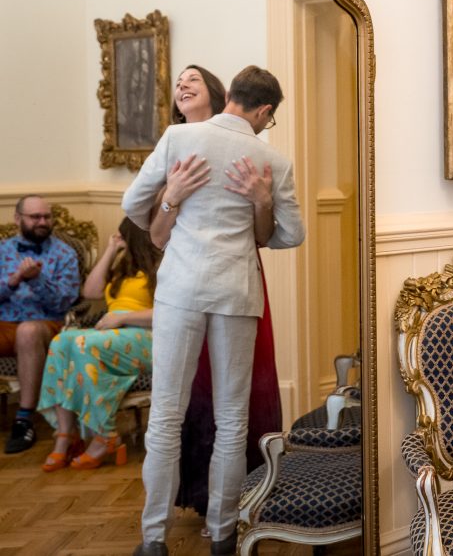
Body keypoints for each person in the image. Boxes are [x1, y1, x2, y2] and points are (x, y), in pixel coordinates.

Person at [123, 65, 305, 556]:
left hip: (180, 288)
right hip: (235, 292)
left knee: (165, 416)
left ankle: (153, 539)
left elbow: (131, 202)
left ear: (232, 96)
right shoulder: (271, 159)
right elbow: (290, 236)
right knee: (232, 420)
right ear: (264, 111)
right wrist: (261, 200)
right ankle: (224, 534)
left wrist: (171, 203)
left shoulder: (178, 138)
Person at [156, 64, 284, 523]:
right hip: (182, 287)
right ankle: (196, 501)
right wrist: (171, 196)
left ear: (219, 94)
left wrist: (262, 202)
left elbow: (264, 236)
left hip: (236, 285)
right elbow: (154, 234)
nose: (183, 87)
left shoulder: (254, 155)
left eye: (193, 80)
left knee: (232, 405)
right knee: (181, 405)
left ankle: (231, 510)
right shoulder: (172, 144)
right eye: (178, 83)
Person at [37, 217, 160, 471]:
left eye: (121, 236)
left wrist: (123, 317)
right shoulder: (123, 266)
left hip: (148, 336)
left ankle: (104, 434)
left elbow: (170, 313)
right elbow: (91, 292)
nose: (117, 238)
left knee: (83, 342)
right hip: (113, 334)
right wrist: (109, 251)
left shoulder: (162, 265)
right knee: (61, 341)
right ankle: (66, 434)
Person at [0, 195, 80, 454]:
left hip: (47, 325)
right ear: (18, 219)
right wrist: (12, 282)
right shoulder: (2, 250)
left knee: (28, 330)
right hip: (4, 323)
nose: (42, 222)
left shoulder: (65, 254)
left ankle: (24, 420)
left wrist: (37, 280)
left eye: (47, 217)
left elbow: (64, 302)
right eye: (35, 217)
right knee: (21, 330)